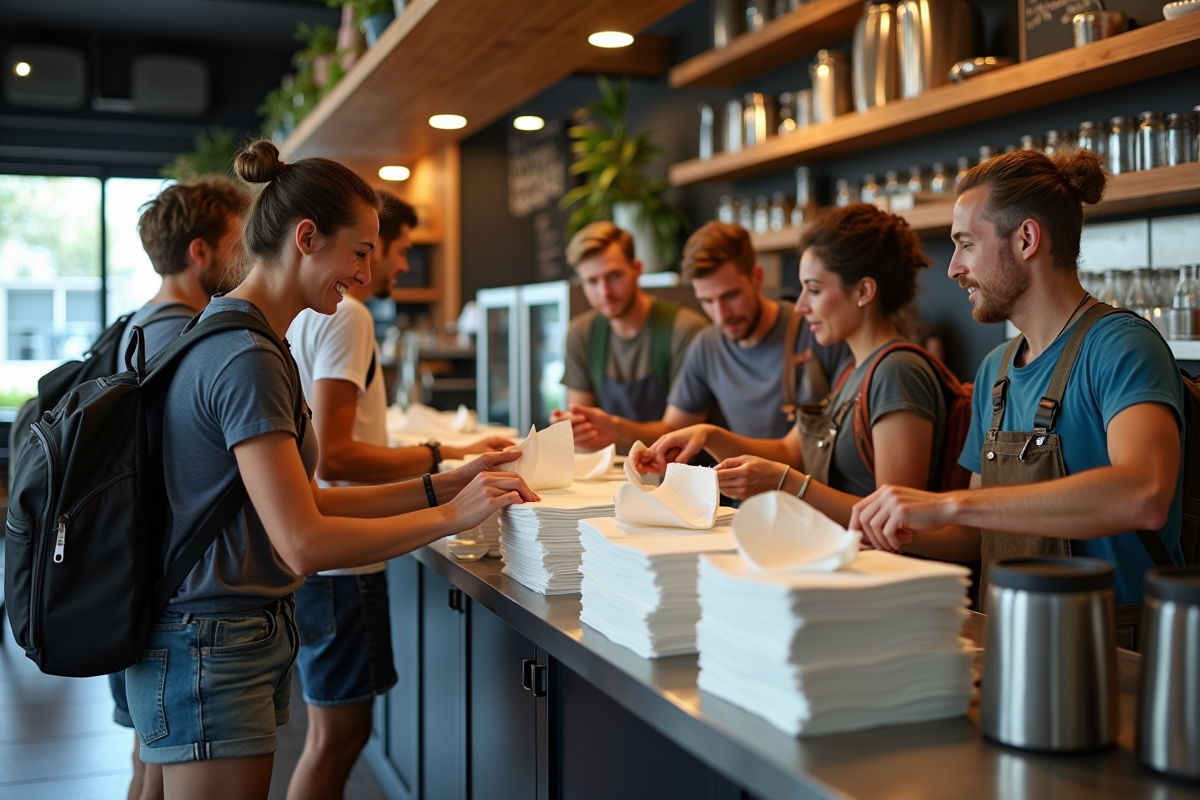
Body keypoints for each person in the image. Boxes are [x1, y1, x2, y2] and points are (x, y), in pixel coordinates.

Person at [123, 140, 536, 800]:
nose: (366, 275)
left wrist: (439, 485)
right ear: (307, 238)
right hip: (211, 645)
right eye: (361, 251)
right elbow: (303, 543)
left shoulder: (250, 338)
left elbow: (305, 502)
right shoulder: (246, 356)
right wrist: (447, 517)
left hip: (216, 636)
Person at [850, 149, 1184, 634]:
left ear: (1026, 239)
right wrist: (894, 529)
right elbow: (975, 537)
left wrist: (947, 504)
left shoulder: (1120, 345)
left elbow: (1145, 494)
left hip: (1112, 645)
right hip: (1009, 633)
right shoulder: (995, 371)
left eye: (966, 244)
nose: (953, 269)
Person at [284, 191, 510, 800]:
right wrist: (443, 465)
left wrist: (441, 472)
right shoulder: (348, 315)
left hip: (326, 546)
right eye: (391, 248)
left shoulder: (298, 313)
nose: (398, 265)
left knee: (332, 734)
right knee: (338, 738)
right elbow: (337, 454)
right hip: (345, 558)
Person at [632, 206, 973, 558]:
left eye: (813, 290)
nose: (800, 307)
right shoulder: (852, 372)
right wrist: (708, 435)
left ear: (863, 291)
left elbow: (891, 524)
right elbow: (790, 451)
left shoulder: (896, 372)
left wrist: (785, 482)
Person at [110, 175, 250, 800]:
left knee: (148, 771)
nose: (249, 256)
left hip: (143, 586)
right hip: (179, 604)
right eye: (238, 242)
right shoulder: (182, 341)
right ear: (201, 253)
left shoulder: (142, 327)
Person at [559, 221, 848, 452]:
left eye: (731, 295)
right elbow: (673, 431)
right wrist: (612, 429)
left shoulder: (817, 333)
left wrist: (709, 438)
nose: (721, 315)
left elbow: (803, 452)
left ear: (757, 278)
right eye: (707, 301)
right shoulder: (707, 345)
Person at [550, 222, 708, 450]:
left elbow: (682, 435)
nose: (604, 292)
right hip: (611, 475)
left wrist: (615, 430)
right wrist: (572, 427)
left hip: (679, 478)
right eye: (592, 281)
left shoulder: (684, 330)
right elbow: (582, 426)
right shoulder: (581, 333)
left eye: (614, 276)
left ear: (637, 268)